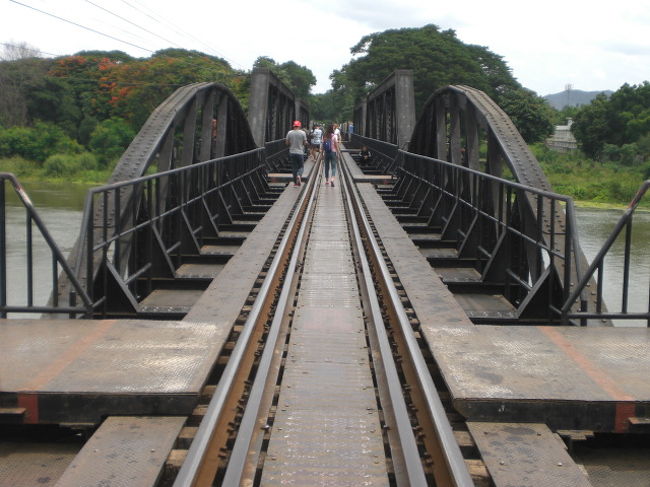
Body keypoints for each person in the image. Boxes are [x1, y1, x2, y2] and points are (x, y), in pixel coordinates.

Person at [286, 120, 308, 186]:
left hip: (292, 152)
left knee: (294, 167)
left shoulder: (289, 133)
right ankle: (299, 175)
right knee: (301, 166)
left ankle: (295, 183)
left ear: (294, 126)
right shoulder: (303, 133)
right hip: (300, 152)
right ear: (299, 126)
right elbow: (304, 143)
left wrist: (291, 143)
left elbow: (287, 143)